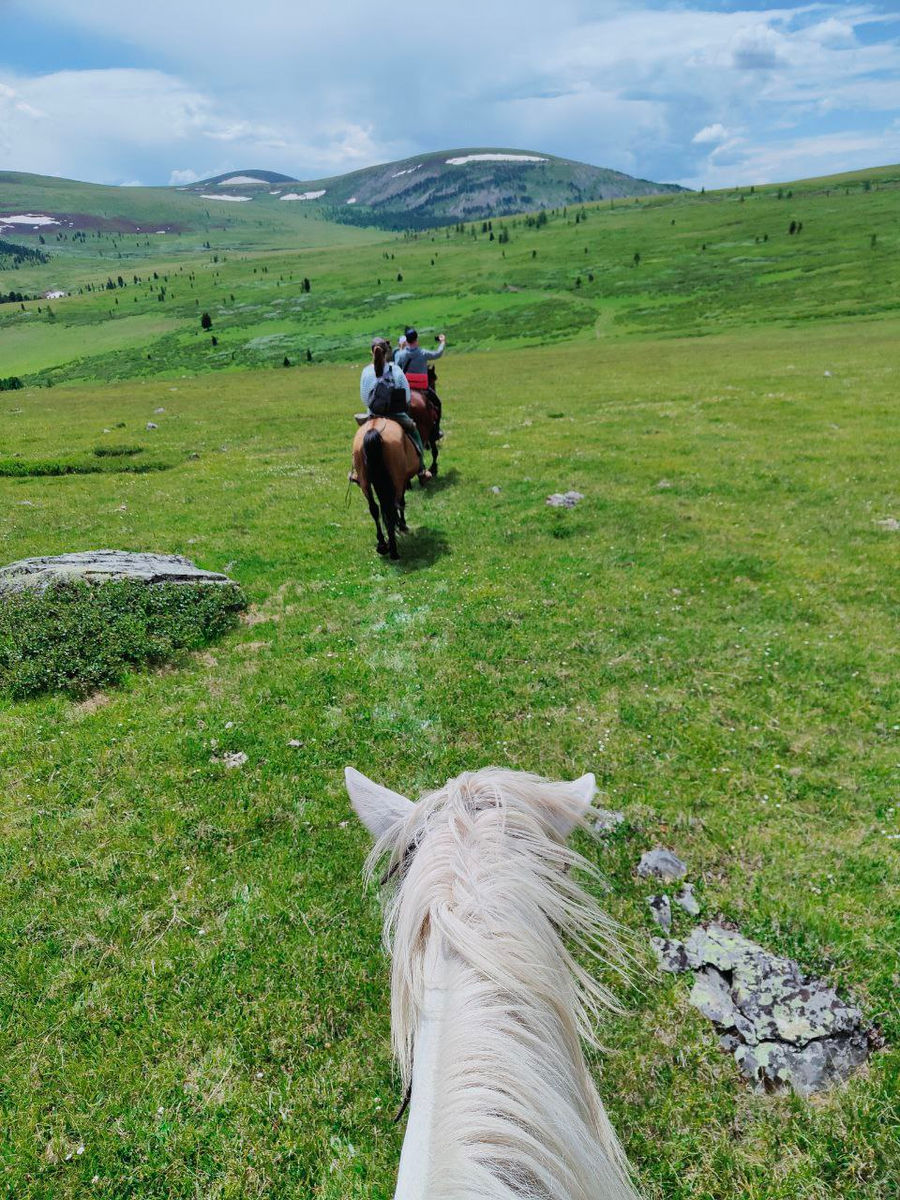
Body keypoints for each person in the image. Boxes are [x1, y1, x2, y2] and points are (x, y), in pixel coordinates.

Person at [359, 338, 431, 480]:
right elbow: (407, 396)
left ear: (371, 352)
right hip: (395, 414)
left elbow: (364, 398)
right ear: (387, 352)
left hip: (373, 415)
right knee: (414, 431)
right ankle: (421, 470)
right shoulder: (396, 370)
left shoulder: (366, 372)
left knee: (361, 438)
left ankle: (357, 471)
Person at [394, 328, 446, 440]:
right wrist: (442, 342)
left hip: (407, 389)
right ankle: (436, 431)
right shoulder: (423, 353)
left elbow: (396, 368)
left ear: (406, 341)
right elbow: (438, 354)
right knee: (438, 404)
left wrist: (401, 349)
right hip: (422, 389)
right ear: (416, 340)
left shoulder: (401, 355)